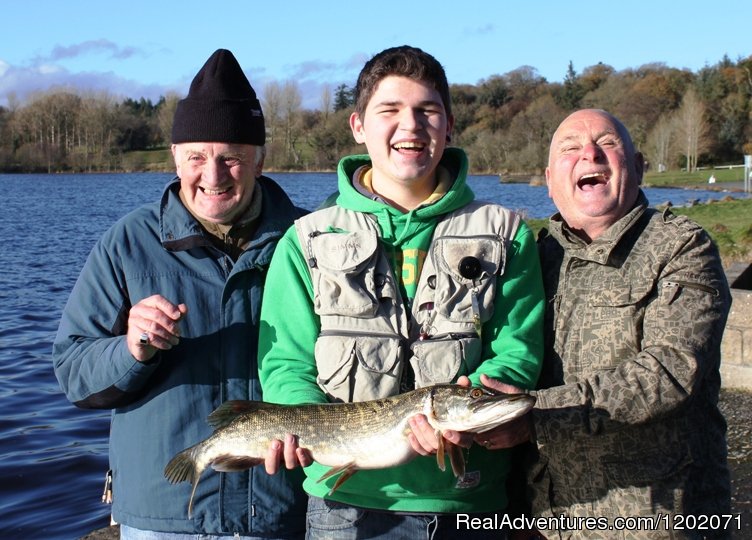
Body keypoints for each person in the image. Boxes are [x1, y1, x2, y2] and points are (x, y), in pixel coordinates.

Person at [257, 45, 544, 539]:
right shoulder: (306, 238)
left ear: (448, 125)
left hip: (472, 504)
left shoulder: (506, 232)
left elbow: (517, 350)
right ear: (358, 126)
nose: (410, 126)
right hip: (344, 510)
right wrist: (299, 422)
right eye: (389, 110)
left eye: (427, 110)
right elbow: (285, 362)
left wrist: (470, 401)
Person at [52, 49, 307, 539]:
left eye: (231, 157)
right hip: (164, 516)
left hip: (285, 512)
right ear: (175, 157)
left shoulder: (312, 241)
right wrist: (130, 349)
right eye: (196, 157)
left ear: (259, 158)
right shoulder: (127, 243)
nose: (212, 177)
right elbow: (73, 372)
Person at [483, 109, 732, 539]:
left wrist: (534, 415)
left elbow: (671, 370)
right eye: (570, 148)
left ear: (637, 167)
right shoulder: (532, 258)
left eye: (608, 143)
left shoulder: (683, 247)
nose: (590, 154)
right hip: (545, 522)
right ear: (548, 178)